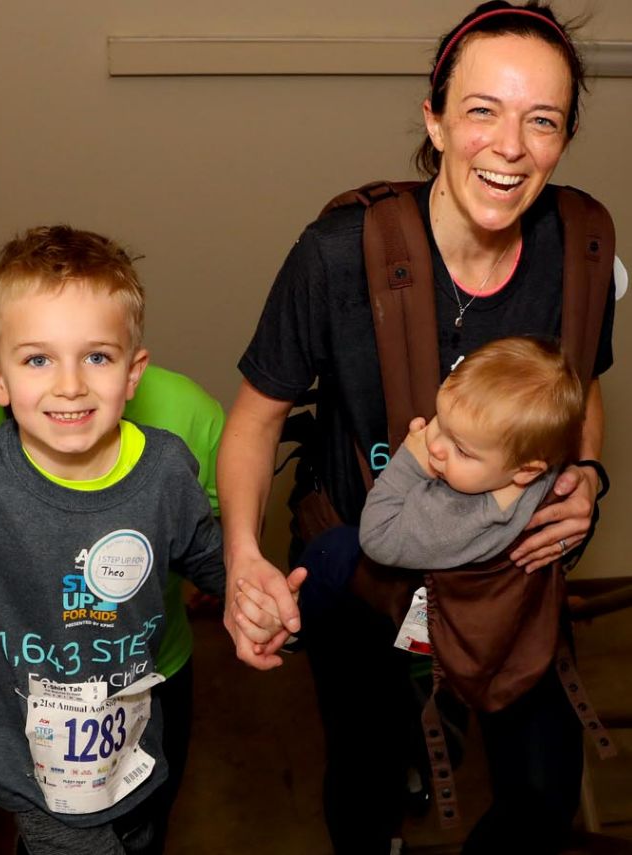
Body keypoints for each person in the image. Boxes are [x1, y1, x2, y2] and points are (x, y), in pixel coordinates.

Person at [217, 3, 617, 853]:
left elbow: (582, 391)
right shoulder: (338, 253)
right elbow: (256, 419)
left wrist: (586, 476)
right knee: (364, 787)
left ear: (562, 139)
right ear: (434, 120)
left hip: (510, 574)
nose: (510, 146)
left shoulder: (580, 247)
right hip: (365, 575)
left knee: (542, 793)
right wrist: (244, 557)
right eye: (482, 111)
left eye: (541, 121)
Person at [0, 225, 224, 855]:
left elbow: (206, 554)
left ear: (133, 371)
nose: (70, 385)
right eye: (37, 359)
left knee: (141, 832)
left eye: (97, 356)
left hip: (136, 749)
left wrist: (254, 598)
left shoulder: (166, 469)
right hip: (31, 776)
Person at [360, 336, 583, 570]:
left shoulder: (459, 513)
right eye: (440, 421)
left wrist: (411, 462)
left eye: (461, 450)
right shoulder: (530, 453)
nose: (434, 446)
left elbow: (376, 537)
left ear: (527, 471)